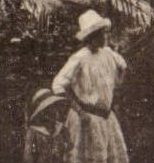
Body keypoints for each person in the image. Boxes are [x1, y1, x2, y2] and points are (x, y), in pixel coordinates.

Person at [50, 9, 129, 163]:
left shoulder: (107, 54)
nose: (106, 36)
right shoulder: (80, 58)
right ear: (92, 36)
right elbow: (58, 85)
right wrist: (79, 109)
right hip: (86, 118)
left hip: (106, 117)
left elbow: (120, 73)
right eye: (102, 33)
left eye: (106, 33)